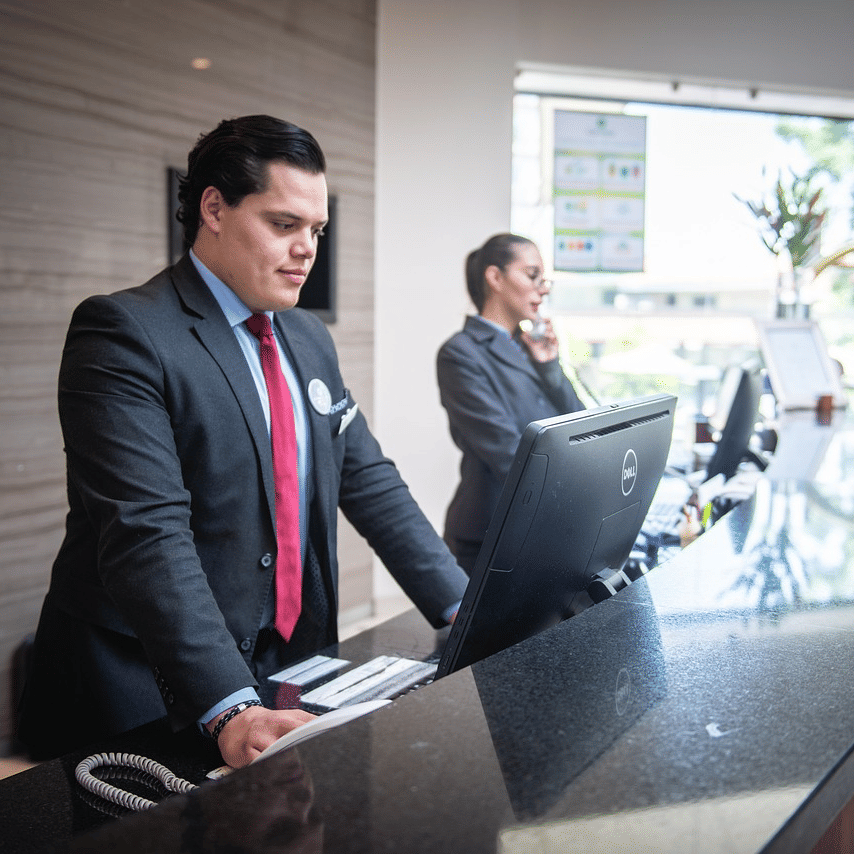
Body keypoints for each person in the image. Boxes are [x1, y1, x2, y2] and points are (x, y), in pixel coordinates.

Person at [18, 115, 468, 768]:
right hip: (146, 679)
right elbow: (146, 532)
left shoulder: (308, 338)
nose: (306, 249)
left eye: (315, 230)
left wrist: (463, 607)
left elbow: (368, 479)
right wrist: (227, 702)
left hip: (281, 665)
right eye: (283, 224)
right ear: (214, 209)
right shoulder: (124, 333)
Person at [436, 233, 584, 574]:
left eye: (544, 280)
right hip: (493, 533)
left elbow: (580, 423)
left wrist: (549, 368)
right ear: (495, 278)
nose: (542, 289)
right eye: (532, 275)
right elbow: (507, 451)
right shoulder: (461, 353)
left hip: (541, 528)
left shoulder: (530, 346)